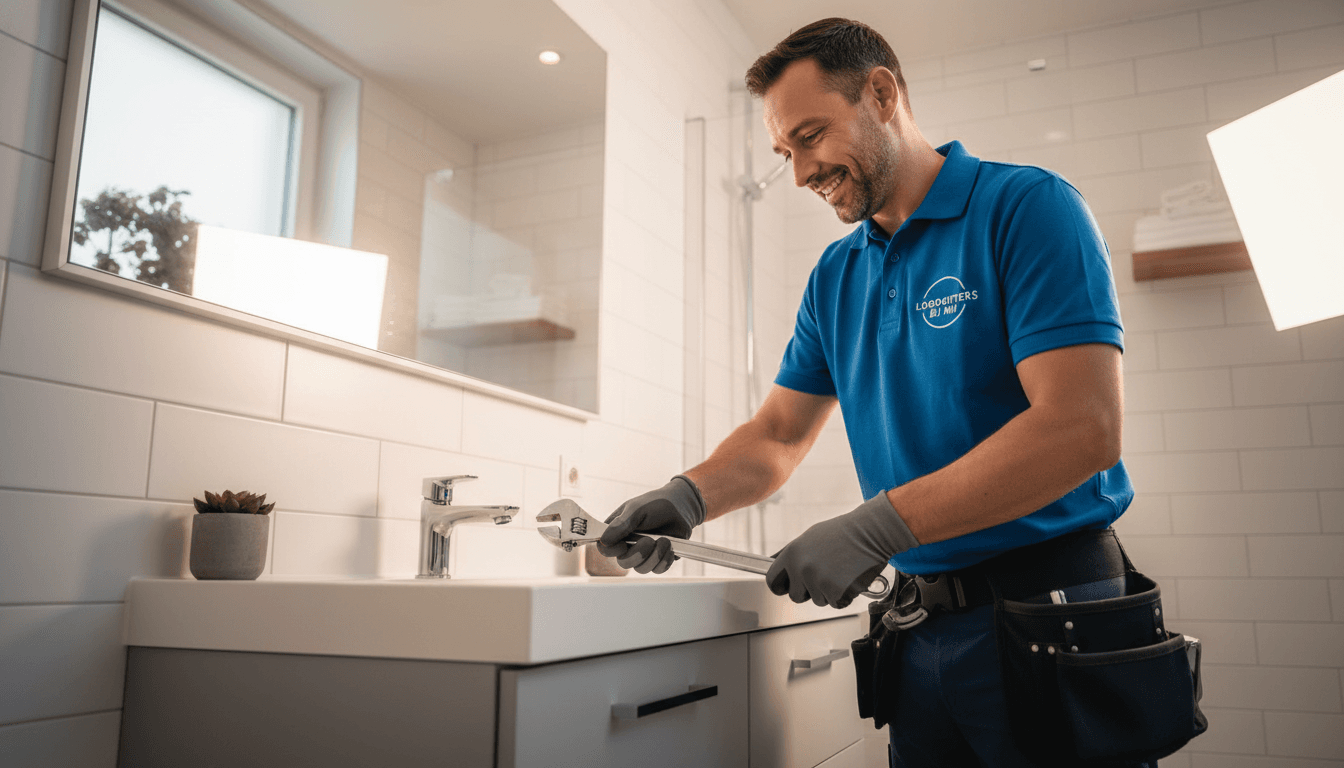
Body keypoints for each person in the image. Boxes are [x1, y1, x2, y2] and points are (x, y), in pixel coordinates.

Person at [599, 17, 1143, 768]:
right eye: (785, 152)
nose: (798, 174)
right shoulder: (836, 276)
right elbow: (780, 434)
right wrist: (690, 496)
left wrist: (877, 526)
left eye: (812, 136)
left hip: (1048, 614)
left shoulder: (1028, 207)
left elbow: (1082, 427)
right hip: (919, 631)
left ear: (882, 94)